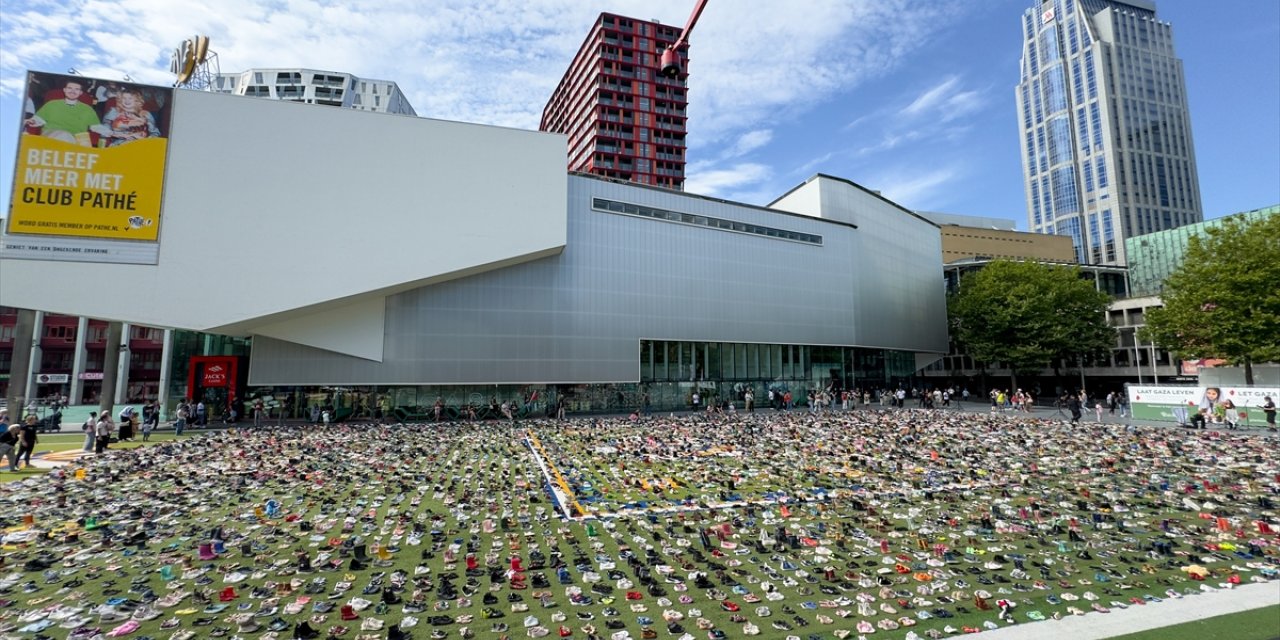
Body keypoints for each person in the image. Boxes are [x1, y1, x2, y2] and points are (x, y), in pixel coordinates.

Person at [25, 79, 99, 146]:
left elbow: (96, 126)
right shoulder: (52, 104)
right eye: (69, 88)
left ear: (80, 92)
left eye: (76, 89)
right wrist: (32, 121)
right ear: (64, 90)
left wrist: (109, 132)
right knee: (64, 136)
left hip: (78, 138)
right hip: (52, 135)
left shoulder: (88, 109)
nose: (72, 91)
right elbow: (38, 119)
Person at [93, 89, 160, 146]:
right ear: (120, 100)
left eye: (130, 98)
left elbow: (155, 133)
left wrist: (144, 140)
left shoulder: (145, 114)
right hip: (119, 145)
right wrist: (122, 135)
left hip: (141, 145)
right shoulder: (113, 111)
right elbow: (104, 130)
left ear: (136, 100)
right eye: (124, 98)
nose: (127, 101)